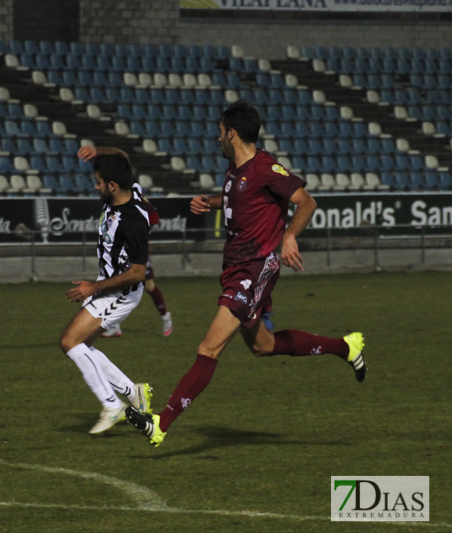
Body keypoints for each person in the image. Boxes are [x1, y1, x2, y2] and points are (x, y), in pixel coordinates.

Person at [126, 100, 367, 447]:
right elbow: (242, 201)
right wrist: (210, 202)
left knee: (209, 348)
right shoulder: (236, 171)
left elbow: (307, 201)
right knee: (263, 347)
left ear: (233, 133)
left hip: (255, 269)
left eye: (220, 133)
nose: (217, 139)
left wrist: (288, 237)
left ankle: (160, 423)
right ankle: (345, 346)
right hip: (237, 267)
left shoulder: (265, 167)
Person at [59, 145, 153, 435]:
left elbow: (138, 272)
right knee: (82, 346)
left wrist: (93, 287)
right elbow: (123, 156)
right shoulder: (129, 190)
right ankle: (133, 392)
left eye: (99, 183)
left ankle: (112, 405)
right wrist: (98, 150)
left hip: (120, 293)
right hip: (108, 288)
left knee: (70, 341)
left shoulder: (134, 220)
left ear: (113, 186)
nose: (96, 186)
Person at [102, 183, 173, 338]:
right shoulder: (116, 202)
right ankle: (114, 325)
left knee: (148, 285)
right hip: (122, 249)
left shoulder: (138, 201)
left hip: (138, 250)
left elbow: (154, 218)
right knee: (115, 282)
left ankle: (166, 318)